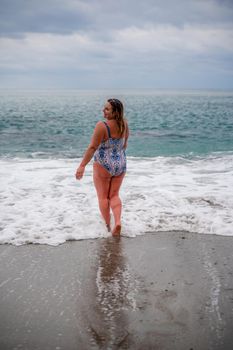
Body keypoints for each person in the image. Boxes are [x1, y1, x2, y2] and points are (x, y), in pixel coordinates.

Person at [75, 98, 129, 236]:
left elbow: (92, 147)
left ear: (115, 111)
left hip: (103, 163)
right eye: (104, 108)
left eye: (107, 109)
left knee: (103, 197)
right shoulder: (124, 124)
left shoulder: (102, 126)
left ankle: (108, 227)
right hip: (120, 162)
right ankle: (117, 221)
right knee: (115, 195)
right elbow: (124, 145)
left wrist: (82, 165)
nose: (103, 111)